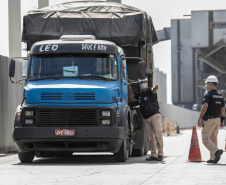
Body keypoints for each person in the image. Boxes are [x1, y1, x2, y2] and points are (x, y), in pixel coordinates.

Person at [128, 77, 164, 161]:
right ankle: (153, 155)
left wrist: (155, 87)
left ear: (146, 82)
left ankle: (160, 154)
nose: (142, 83)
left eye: (144, 82)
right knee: (150, 138)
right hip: (146, 118)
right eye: (141, 82)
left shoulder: (150, 91)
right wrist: (129, 89)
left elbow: (154, 90)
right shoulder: (140, 94)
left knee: (158, 135)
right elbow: (132, 99)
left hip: (154, 116)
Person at [197, 75, 225, 164]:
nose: (206, 86)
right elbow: (223, 109)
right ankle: (213, 158)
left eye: (207, 84)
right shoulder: (220, 96)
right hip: (218, 120)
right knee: (213, 138)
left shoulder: (208, 95)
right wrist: (223, 120)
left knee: (205, 139)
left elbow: (204, 107)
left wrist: (200, 118)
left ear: (209, 84)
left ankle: (216, 151)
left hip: (210, 119)